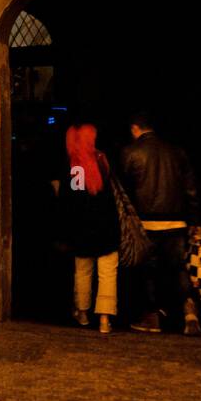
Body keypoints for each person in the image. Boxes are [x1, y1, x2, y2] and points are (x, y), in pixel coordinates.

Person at [120, 111, 201, 335]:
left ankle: (152, 316)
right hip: (176, 220)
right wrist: (194, 220)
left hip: (146, 223)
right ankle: (189, 310)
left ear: (135, 129)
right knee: (178, 267)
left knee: (148, 270)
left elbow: (125, 191)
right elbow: (191, 189)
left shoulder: (131, 152)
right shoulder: (177, 152)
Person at [52, 122, 120, 334]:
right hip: (106, 226)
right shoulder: (101, 160)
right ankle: (104, 320)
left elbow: (70, 200)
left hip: (82, 228)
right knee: (107, 272)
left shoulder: (73, 166)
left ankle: (82, 312)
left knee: (82, 271)